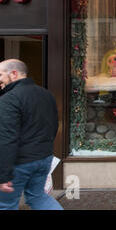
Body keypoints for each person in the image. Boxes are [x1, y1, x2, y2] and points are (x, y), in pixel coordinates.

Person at [0, 59, 63, 210]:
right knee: (38, 197)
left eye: (0, 74)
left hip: (19, 162)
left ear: (14, 74)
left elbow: (6, 138)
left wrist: (4, 174)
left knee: (5, 204)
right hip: (44, 158)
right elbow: (54, 126)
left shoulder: (8, 99)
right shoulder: (46, 94)